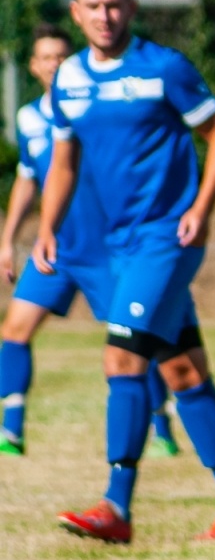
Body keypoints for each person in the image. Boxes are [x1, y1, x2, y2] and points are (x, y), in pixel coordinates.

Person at [41, 0, 215, 542]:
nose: (105, 16)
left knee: (121, 359)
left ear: (132, 7)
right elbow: (63, 159)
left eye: (115, 5)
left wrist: (201, 210)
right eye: (94, 6)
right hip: (116, 246)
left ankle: (117, 508)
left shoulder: (164, 68)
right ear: (76, 12)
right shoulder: (70, 79)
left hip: (167, 238)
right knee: (183, 369)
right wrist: (47, 226)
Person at [0, 24, 179, 459]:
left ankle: (162, 428)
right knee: (15, 329)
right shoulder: (28, 118)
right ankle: (12, 430)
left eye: (62, 56)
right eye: (46, 57)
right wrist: (9, 239)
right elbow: (28, 179)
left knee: (134, 339)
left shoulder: (94, 109)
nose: (55, 64)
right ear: (34, 66)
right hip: (56, 249)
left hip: (106, 250)